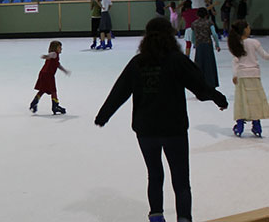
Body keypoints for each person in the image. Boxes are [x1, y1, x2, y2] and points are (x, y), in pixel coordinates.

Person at [94, 17, 228, 222]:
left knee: (155, 175)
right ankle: (183, 218)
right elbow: (201, 89)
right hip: (174, 129)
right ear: (170, 35)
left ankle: (156, 217)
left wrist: (103, 116)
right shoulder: (177, 60)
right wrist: (219, 98)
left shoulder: (138, 62)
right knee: (181, 180)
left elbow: (119, 91)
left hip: (146, 130)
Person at [228, 21, 269, 137]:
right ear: (245, 30)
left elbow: (235, 61)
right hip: (254, 75)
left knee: (242, 101)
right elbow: (265, 56)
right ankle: (256, 125)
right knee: (255, 100)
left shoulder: (237, 43)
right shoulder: (254, 42)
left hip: (242, 76)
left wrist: (235, 75)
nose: (250, 28)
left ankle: (240, 125)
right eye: (248, 26)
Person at [29, 41, 70, 115]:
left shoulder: (55, 56)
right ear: (55, 48)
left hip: (43, 73)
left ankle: (34, 102)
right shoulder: (54, 54)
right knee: (53, 90)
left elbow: (58, 65)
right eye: (59, 47)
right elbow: (50, 55)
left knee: (43, 89)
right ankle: (55, 106)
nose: (61, 49)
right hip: (48, 75)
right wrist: (46, 56)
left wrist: (65, 71)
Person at [191, 8, 221, 88]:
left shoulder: (194, 23)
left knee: (199, 64)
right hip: (208, 45)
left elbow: (192, 36)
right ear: (206, 15)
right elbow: (214, 34)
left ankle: (199, 83)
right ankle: (210, 83)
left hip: (199, 45)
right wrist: (217, 44)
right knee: (209, 64)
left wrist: (194, 43)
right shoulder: (209, 23)